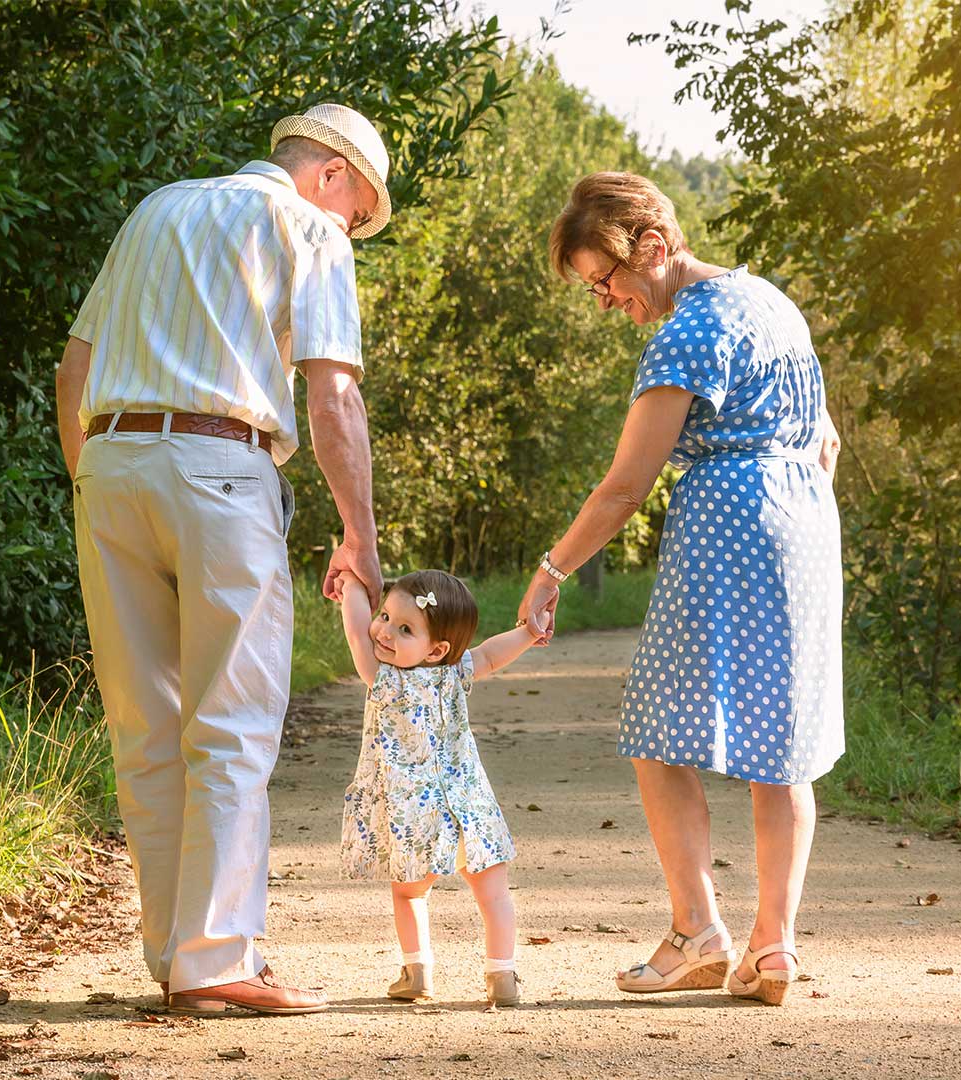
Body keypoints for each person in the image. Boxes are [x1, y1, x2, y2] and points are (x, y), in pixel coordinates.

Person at [54, 103, 393, 1016]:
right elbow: (333, 397)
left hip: (112, 464)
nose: (352, 226)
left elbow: (74, 364)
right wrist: (358, 537)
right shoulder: (307, 228)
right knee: (232, 723)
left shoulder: (157, 208)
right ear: (330, 176)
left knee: (146, 725)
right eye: (358, 210)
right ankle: (217, 961)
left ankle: (174, 955)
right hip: (220, 465)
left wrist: (93, 483)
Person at [517, 171, 844, 1006]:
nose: (604, 302)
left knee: (659, 731)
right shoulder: (770, 300)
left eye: (607, 281)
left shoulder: (685, 334)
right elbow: (828, 441)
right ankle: (774, 948)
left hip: (727, 526)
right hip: (806, 525)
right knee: (784, 744)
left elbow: (626, 487)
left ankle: (696, 931)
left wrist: (550, 572)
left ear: (655, 249)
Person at [334, 569, 543, 1007]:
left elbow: (356, 633)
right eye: (386, 615)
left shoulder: (385, 679)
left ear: (437, 650)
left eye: (405, 629)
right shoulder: (453, 671)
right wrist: (528, 632)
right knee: (494, 893)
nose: (385, 631)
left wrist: (351, 583)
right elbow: (488, 655)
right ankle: (502, 976)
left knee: (409, 891)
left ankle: (417, 971)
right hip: (470, 805)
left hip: (418, 816)